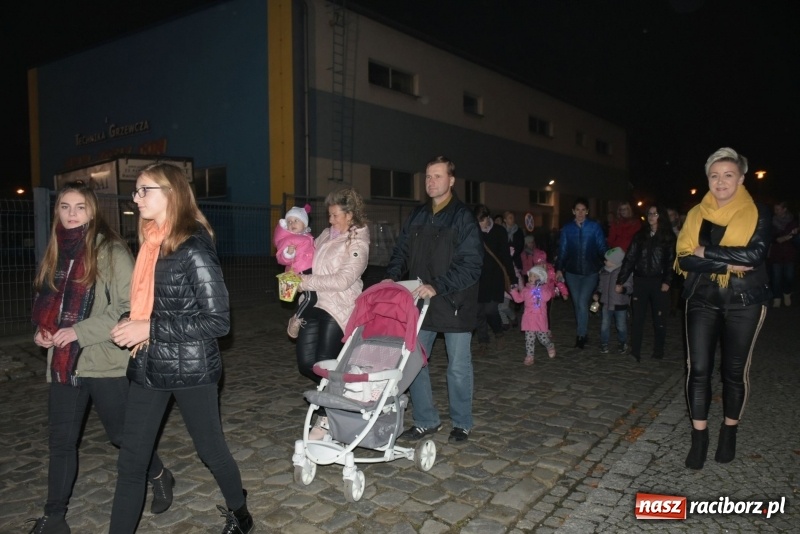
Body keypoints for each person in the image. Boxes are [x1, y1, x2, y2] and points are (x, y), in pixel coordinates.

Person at [108, 163, 253, 533]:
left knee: (210, 450)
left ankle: (241, 514)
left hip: (191, 369)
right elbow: (159, 302)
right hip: (149, 364)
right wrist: (132, 319)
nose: (136, 198)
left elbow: (218, 322)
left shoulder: (194, 247)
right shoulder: (151, 241)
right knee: (131, 462)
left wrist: (149, 327)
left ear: (170, 194)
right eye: (136, 191)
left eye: (145, 190)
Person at [28, 182, 173, 534]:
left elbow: (129, 310)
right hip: (64, 361)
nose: (72, 213)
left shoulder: (111, 252)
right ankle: (54, 516)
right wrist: (43, 331)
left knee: (122, 434)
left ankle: (159, 474)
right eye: (64, 206)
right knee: (61, 441)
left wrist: (79, 332)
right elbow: (48, 305)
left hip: (105, 361)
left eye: (80, 206)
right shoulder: (55, 252)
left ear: (93, 211)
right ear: (57, 211)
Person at [675, 147, 770, 470]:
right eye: (714, 176)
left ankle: (729, 430)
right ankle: (699, 437)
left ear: (741, 178)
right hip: (701, 298)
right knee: (698, 370)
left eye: (728, 175)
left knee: (733, 372)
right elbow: (685, 257)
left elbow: (755, 255)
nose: (720, 181)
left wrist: (706, 252)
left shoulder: (758, 212)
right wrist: (728, 261)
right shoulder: (695, 214)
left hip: (745, 302)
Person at [386, 156, 482, 444]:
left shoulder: (463, 217)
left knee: (458, 366)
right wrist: (391, 277)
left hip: (454, 302)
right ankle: (426, 420)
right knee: (413, 363)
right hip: (421, 304)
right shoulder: (417, 215)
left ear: (451, 180)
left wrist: (438, 286)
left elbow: (471, 264)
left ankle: (462, 422)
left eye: (437, 176)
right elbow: (401, 251)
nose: (431, 182)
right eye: (428, 176)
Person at [296, 188, 370, 440]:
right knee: (307, 363)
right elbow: (307, 260)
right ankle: (345, 392)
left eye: (335, 215)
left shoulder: (358, 241)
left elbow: (343, 279)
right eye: (329, 215)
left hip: (339, 307)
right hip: (315, 303)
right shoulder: (327, 234)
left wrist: (304, 282)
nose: (330, 221)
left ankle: (327, 417)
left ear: (350, 215)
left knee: (326, 362)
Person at [615, 205, 676, 361]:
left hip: (659, 282)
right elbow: (630, 258)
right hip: (641, 281)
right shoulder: (640, 235)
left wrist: (667, 280)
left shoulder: (667, 237)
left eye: (655, 214)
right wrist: (621, 280)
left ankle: (658, 350)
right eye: (649, 214)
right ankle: (635, 351)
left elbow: (671, 261)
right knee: (638, 318)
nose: (651, 216)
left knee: (659, 319)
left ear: (660, 216)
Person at [555, 198, 607, 348]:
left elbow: (602, 246)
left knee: (583, 302)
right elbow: (562, 250)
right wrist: (559, 267)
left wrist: (608, 259)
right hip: (572, 272)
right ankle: (583, 331)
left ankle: (581, 335)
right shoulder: (567, 229)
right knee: (577, 304)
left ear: (587, 211)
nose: (580, 213)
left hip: (590, 271)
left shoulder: (594, 227)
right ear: (573, 211)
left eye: (583, 210)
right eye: (577, 210)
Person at [473, 205, 515, 354]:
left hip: (495, 277)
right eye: (478, 221)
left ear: (488, 218)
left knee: (490, 309)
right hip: (478, 277)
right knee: (478, 311)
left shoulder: (499, 231)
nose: (480, 224)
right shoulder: (474, 232)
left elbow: (505, 256)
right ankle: (483, 341)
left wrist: (512, 277)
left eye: (482, 221)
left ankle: (498, 333)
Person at [274, 204, 316, 337]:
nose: (292, 224)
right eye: (289, 221)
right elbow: (281, 258)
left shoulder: (307, 235)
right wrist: (288, 253)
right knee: (311, 297)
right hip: (300, 271)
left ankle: (304, 317)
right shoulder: (288, 238)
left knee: (313, 297)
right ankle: (296, 319)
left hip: (309, 270)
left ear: (304, 223)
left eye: (296, 221)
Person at [511, 265, 556, 366]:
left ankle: (549, 345)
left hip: (539, 319)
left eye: (534, 276)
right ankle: (530, 356)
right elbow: (519, 299)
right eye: (530, 276)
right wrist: (513, 291)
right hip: (529, 319)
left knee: (542, 338)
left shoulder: (543, 290)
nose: (531, 278)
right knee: (529, 339)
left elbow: (547, 297)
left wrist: (540, 288)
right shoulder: (526, 290)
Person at [593, 247, 632, 355]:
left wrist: (623, 289)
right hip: (606, 303)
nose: (605, 261)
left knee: (621, 325)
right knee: (604, 324)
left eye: (607, 260)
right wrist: (597, 293)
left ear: (615, 261)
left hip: (620, 303)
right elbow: (600, 286)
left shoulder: (624, 273)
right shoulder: (603, 271)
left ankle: (622, 342)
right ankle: (604, 343)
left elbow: (630, 288)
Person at [767, 201, 798, 307]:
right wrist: (785, 237)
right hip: (776, 253)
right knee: (776, 277)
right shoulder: (771, 221)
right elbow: (772, 238)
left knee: (789, 277)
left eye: (778, 209)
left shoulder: (792, 221)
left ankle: (787, 294)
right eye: (775, 209)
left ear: (784, 209)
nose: (775, 211)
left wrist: (792, 235)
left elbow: (795, 237)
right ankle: (777, 298)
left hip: (789, 253)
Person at [503, 210, 525, 275]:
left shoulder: (518, 231)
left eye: (513, 217)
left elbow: (520, 245)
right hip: (504, 260)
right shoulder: (501, 231)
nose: (512, 219)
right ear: (505, 220)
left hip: (516, 260)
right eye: (510, 217)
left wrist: (513, 254)